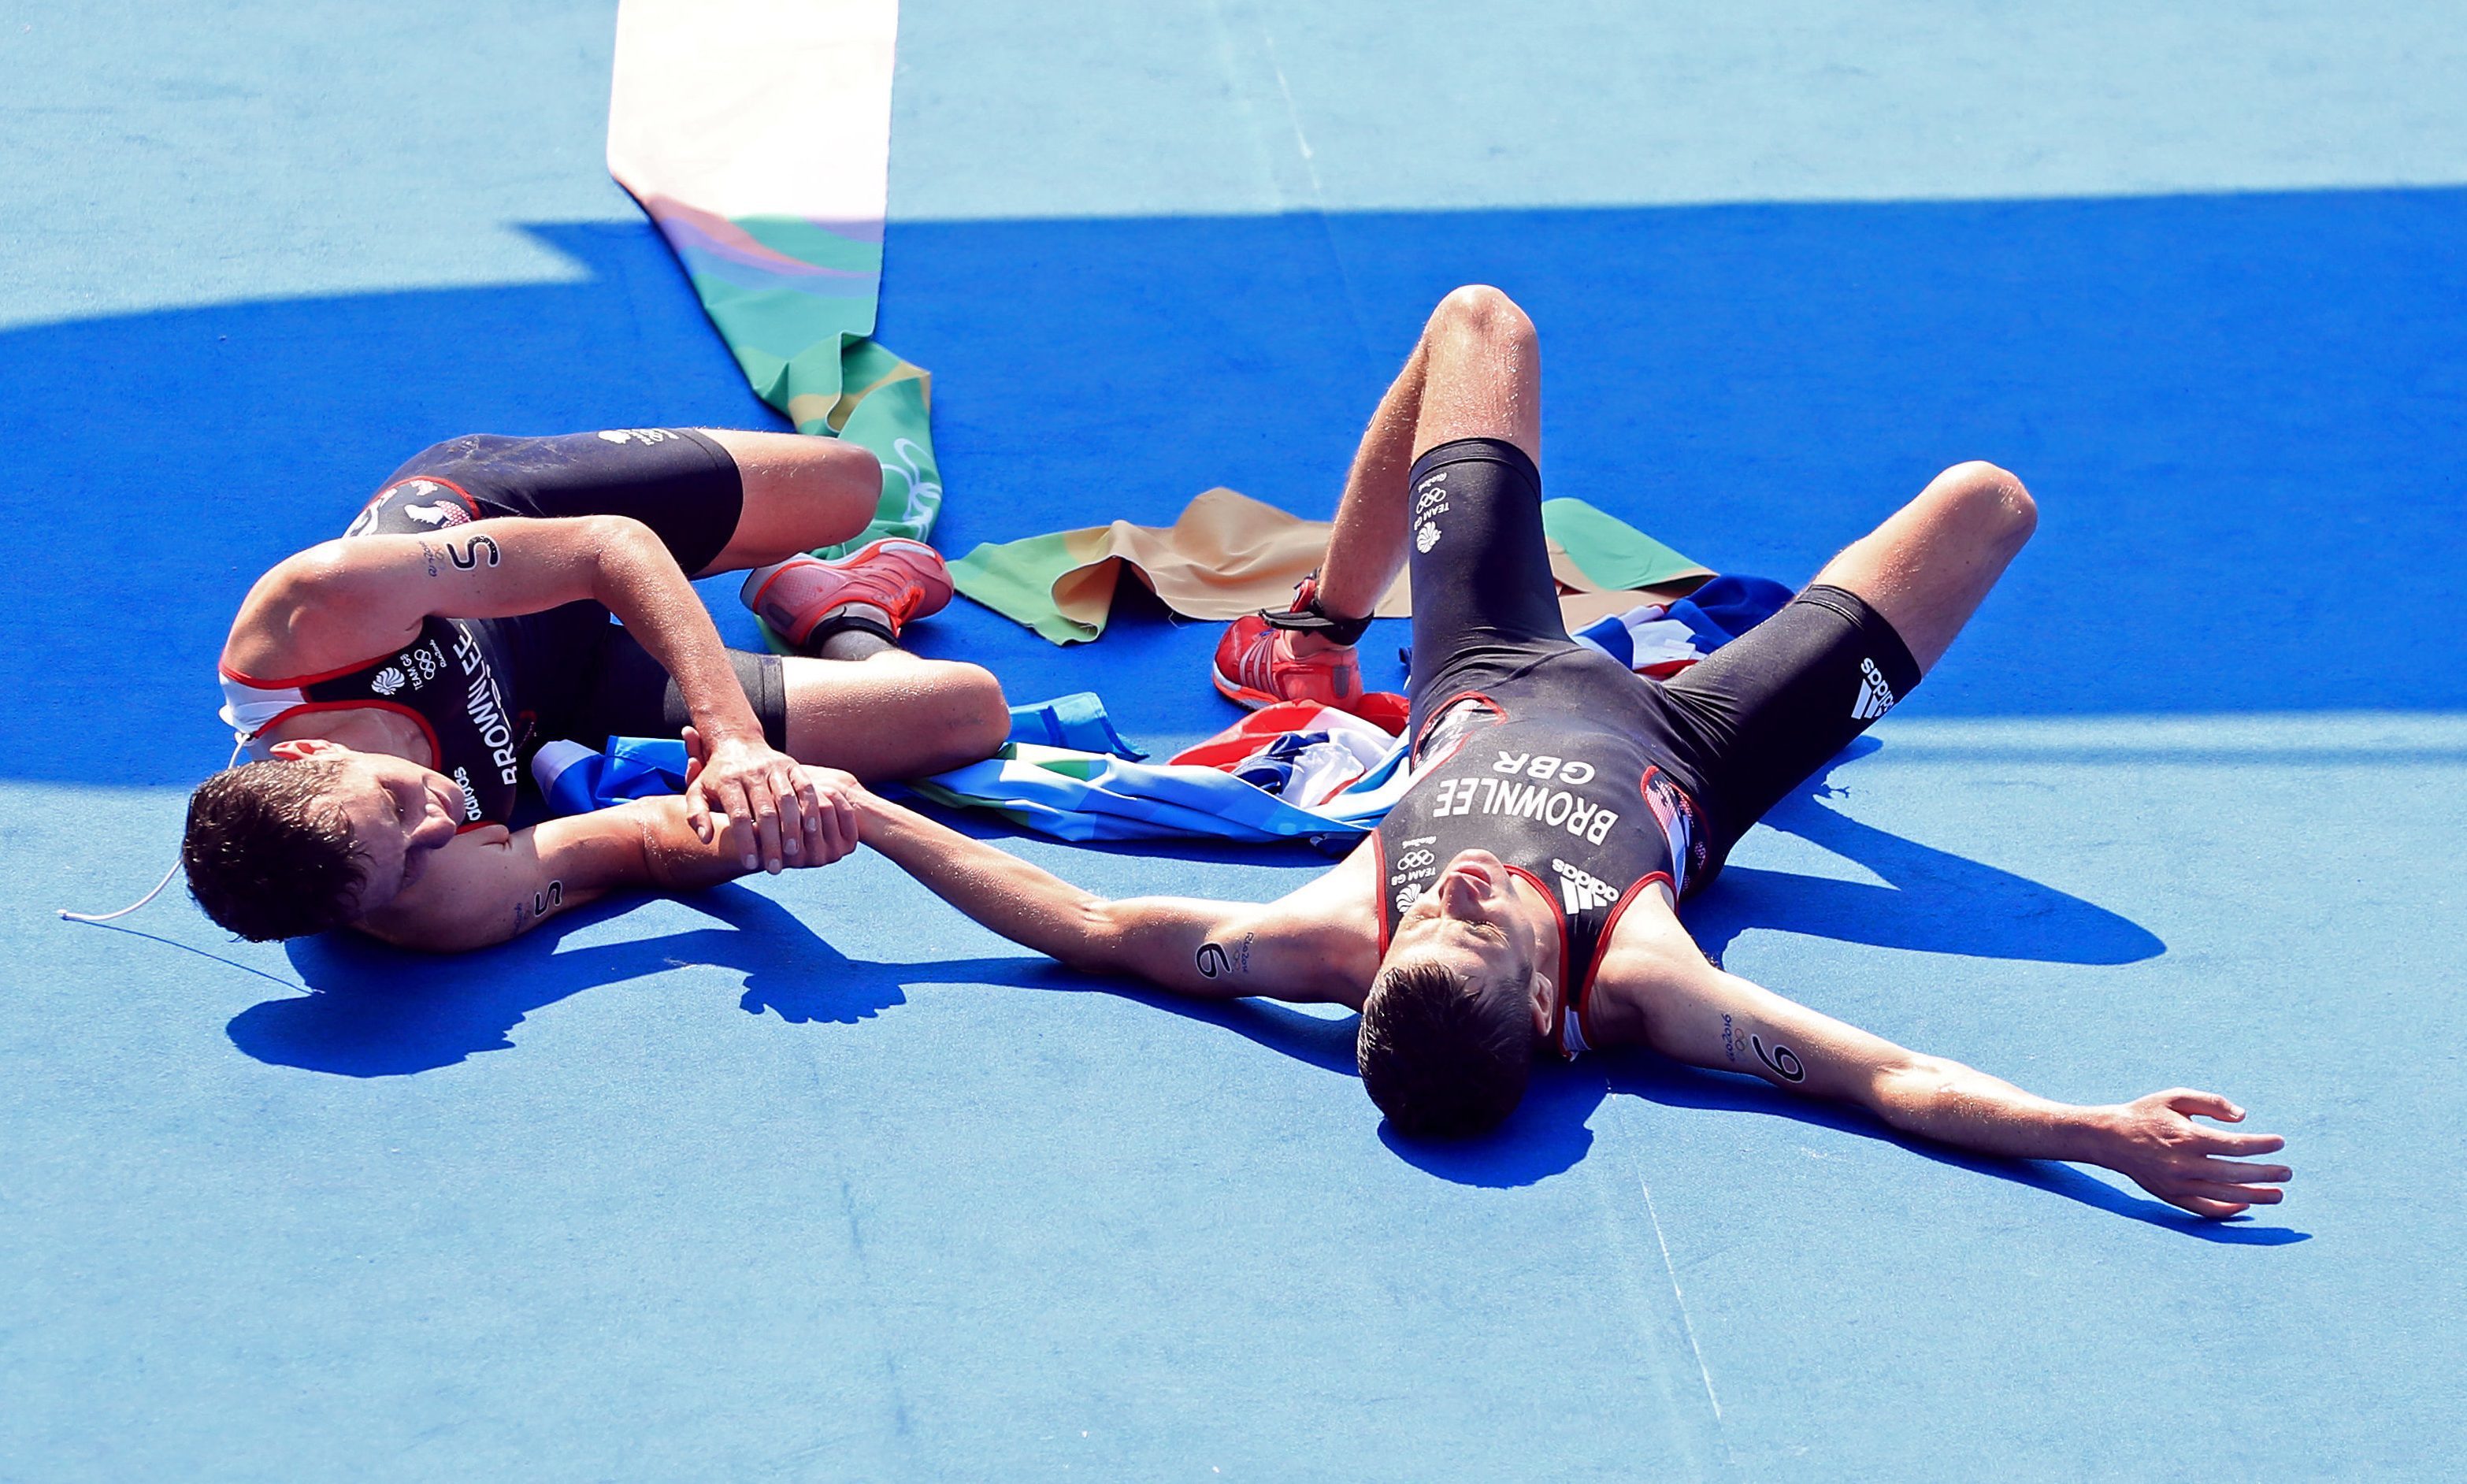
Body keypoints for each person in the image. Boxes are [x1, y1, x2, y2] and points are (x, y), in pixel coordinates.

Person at [833, 287, 2291, 1219]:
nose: (1453, 882)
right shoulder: (1646, 983)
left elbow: (1088, 924)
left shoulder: (1345, 940)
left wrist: (869, 817)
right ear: (1547, 1009)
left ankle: (1317, 622)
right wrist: (2101, 1134)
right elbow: (1890, 1081)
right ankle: (1770, 669)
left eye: (1429, 917)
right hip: (1709, 743)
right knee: (1989, 504)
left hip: (1469, 666)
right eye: (1479, 923)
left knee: (1481, 324)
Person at [185, 426, 1007, 952]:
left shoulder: (314, 614)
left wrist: (735, 743)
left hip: (531, 525)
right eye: (408, 861)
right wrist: (773, 822)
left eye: (398, 808)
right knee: (964, 712)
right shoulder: (437, 901)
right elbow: (644, 843)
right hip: (564, 694)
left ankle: (773, 565)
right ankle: (836, 608)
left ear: (304, 751)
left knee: (851, 485)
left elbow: (608, 550)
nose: (439, 823)